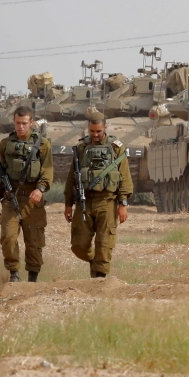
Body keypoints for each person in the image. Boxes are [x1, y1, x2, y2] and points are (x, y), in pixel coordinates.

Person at [64, 111, 133, 278]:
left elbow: (125, 177)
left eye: (98, 131)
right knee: (78, 246)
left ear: (105, 128)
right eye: (91, 131)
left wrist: (123, 204)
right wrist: (68, 204)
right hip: (84, 202)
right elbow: (72, 176)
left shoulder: (116, 148)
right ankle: (94, 262)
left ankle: (99, 281)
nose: (95, 135)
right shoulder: (81, 147)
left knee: (104, 245)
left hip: (107, 202)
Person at [0, 105, 52, 282]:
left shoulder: (42, 144)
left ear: (31, 122)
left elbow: (48, 172)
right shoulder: (5, 144)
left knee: (34, 242)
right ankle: (14, 274)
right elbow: (1, 174)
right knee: (8, 237)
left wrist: (40, 189)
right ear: (14, 122)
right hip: (11, 198)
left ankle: (32, 277)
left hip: (33, 200)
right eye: (18, 123)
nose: (20, 127)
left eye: (24, 123)